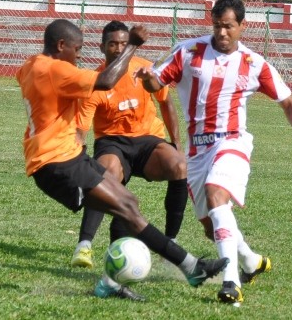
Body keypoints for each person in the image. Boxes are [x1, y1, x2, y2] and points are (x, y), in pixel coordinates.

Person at [135, 0, 292, 305]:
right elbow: (155, 82)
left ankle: (231, 282)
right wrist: (149, 79)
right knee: (210, 226)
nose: (222, 33)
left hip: (231, 141)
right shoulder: (189, 52)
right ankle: (251, 261)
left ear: (242, 26)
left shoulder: (254, 63)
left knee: (217, 194)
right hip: (197, 150)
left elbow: (288, 101)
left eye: (228, 26)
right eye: (217, 26)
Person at [15, 18, 228, 302]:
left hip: (67, 156)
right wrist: (133, 45)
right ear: (61, 45)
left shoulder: (31, 65)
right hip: (56, 163)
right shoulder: (55, 69)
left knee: (128, 204)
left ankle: (113, 281)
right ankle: (192, 268)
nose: (78, 55)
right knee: (126, 208)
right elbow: (105, 80)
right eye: (76, 49)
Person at [71, 20, 188, 269]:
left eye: (124, 43)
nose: (118, 48)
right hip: (112, 142)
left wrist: (176, 142)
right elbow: (81, 129)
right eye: (113, 44)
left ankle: (170, 241)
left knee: (179, 165)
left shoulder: (144, 68)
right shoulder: (96, 82)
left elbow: (165, 102)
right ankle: (84, 246)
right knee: (105, 174)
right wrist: (74, 156)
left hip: (147, 140)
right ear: (102, 47)